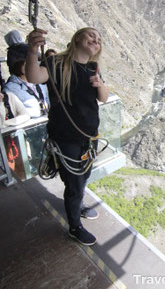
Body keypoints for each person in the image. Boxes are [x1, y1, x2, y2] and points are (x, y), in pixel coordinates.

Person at [26, 27, 109, 246]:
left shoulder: (92, 68)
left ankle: (76, 203)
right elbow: (34, 76)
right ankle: (74, 226)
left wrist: (100, 84)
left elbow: (103, 98)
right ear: (77, 38)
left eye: (99, 39)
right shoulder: (57, 64)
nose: (95, 40)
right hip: (66, 136)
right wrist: (33, 51)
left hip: (89, 135)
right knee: (74, 182)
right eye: (91, 35)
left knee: (82, 177)